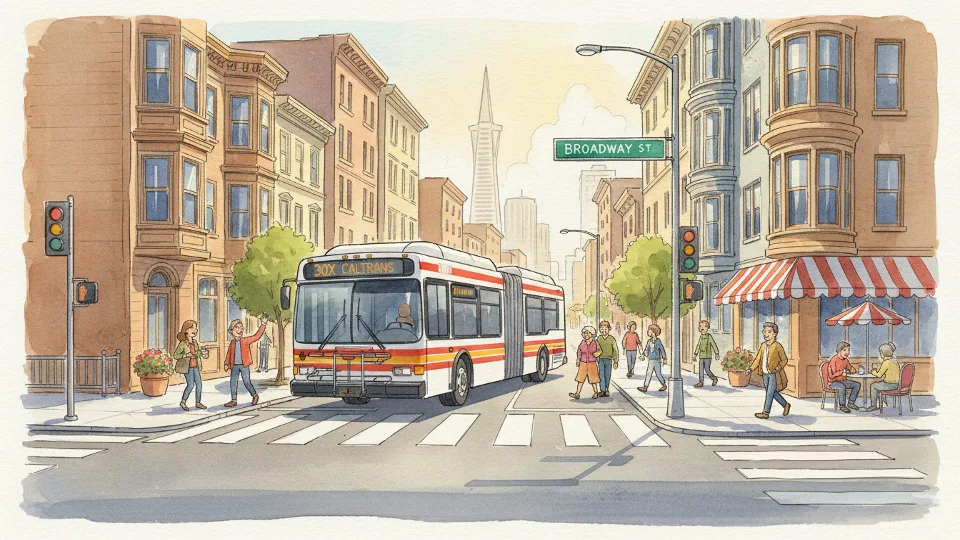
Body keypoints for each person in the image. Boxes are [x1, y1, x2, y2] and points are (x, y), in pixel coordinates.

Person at [748, 322, 791, 419]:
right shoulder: (763, 345)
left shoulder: (777, 346)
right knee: (771, 392)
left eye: (769, 332)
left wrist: (777, 369)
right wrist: (750, 369)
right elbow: (758, 359)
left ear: (774, 334)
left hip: (773, 374)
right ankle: (785, 404)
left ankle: (765, 412)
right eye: (764, 331)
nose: (765, 334)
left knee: (769, 393)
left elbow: (784, 359)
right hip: (764, 374)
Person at [223, 317, 267, 407]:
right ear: (231, 330)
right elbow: (229, 354)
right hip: (234, 366)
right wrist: (226, 363)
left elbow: (256, 336)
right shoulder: (232, 343)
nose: (240, 330)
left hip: (244, 365)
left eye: (241, 327)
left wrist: (263, 325)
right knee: (233, 382)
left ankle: (255, 395)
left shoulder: (245, 341)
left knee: (246, 381)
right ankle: (233, 400)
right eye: (237, 327)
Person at [173, 320, 206, 411]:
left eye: (195, 328)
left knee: (199, 384)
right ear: (186, 330)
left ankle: (198, 402)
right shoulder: (183, 343)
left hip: (195, 366)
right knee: (190, 385)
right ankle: (183, 401)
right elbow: (176, 355)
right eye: (192, 327)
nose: (195, 330)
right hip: (187, 367)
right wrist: (186, 355)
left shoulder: (195, 342)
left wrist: (202, 353)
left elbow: (197, 353)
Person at [864, 343, 900, 412]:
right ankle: (883, 402)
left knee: (873, 386)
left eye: (880, 352)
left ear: (883, 353)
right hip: (896, 384)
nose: (880, 354)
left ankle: (873, 405)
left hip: (890, 385)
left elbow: (879, 374)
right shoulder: (894, 361)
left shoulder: (886, 362)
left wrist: (873, 371)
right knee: (880, 384)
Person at [826, 341, 860, 412]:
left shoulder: (846, 360)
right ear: (839, 351)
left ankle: (851, 403)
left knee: (857, 385)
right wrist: (842, 372)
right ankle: (842, 405)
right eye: (844, 350)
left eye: (848, 350)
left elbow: (851, 369)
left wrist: (853, 370)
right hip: (833, 382)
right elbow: (831, 376)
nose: (847, 352)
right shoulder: (834, 360)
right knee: (842, 387)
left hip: (843, 381)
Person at [570, 326, 601, 400]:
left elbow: (600, 350)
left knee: (593, 379)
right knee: (580, 379)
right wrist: (578, 359)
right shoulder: (582, 342)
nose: (585, 334)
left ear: (592, 334)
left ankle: (596, 392)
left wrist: (595, 355)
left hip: (592, 363)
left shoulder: (595, 342)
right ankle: (577, 394)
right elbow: (579, 351)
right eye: (584, 333)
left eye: (587, 333)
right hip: (583, 363)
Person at [638, 324, 667, 393]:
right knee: (649, 373)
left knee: (658, 374)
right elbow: (646, 350)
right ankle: (645, 387)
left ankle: (664, 385)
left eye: (650, 331)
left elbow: (662, 349)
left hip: (657, 360)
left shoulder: (658, 341)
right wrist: (643, 355)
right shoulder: (649, 341)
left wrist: (664, 358)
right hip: (651, 360)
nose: (648, 332)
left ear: (654, 332)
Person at [595, 321, 620, 397]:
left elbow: (615, 350)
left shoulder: (611, 339)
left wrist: (616, 361)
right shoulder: (599, 338)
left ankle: (606, 389)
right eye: (602, 329)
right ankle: (602, 390)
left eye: (605, 329)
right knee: (601, 374)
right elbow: (596, 348)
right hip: (601, 359)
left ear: (609, 329)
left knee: (607, 375)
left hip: (609, 360)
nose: (604, 331)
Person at [693, 319, 720, 388]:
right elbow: (698, 345)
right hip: (701, 356)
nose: (702, 328)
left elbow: (713, 345)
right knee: (701, 369)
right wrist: (695, 355)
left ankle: (714, 378)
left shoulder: (709, 336)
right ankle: (701, 382)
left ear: (707, 328)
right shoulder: (701, 337)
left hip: (708, 356)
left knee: (707, 369)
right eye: (700, 326)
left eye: (704, 327)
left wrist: (717, 353)